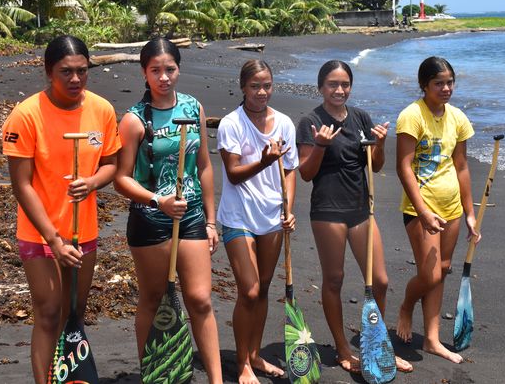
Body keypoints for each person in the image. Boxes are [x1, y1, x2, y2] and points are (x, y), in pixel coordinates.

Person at [2, 35, 120, 384]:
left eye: (82, 71)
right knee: (50, 313)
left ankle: (69, 376)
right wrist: (53, 239)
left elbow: (111, 163)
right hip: (41, 234)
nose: (75, 80)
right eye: (65, 72)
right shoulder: (26, 115)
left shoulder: (101, 110)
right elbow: (21, 184)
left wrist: (94, 182)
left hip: (84, 232)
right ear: (47, 71)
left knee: (74, 314)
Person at [113, 37, 222, 384]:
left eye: (169, 69)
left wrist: (211, 220)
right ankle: (153, 373)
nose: (163, 77)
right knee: (153, 298)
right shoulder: (134, 119)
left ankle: (216, 379)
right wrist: (157, 200)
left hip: (190, 217)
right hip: (150, 220)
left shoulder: (193, 108)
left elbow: (203, 166)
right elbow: (121, 179)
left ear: (178, 69)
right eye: (155, 70)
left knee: (200, 299)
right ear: (145, 73)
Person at [296, 60, 412, 374]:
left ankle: (374, 344)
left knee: (380, 281)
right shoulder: (310, 121)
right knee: (334, 280)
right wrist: (320, 145)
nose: (339, 90)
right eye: (332, 84)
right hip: (328, 210)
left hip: (361, 208)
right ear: (321, 87)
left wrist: (381, 144)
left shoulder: (360, 118)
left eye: (345, 84)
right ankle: (343, 349)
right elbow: (306, 173)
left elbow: (374, 166)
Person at [394, 56, 480, 363]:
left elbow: (461, 167)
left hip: (452, 207)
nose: (446, 88)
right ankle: (406, 306)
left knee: (442, 271)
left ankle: (431, 339)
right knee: (429, 276)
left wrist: (469, 213)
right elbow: (403, 167)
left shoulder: (458, 118)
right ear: (424, 85)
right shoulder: (411, 116)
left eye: (450, 82)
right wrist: (422, 209)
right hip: (421, 208)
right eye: (438, 83)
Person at [216, 59, 297, 384]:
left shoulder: (286, 123)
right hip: (238, 216)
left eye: (267, 85)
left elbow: (289, 170)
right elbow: (234, 175)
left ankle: (255, 354)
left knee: (263, 289)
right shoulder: (231, 124)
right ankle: (242, 364)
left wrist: (288, 206)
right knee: (248, 291)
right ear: (243, 87)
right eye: (254, 86)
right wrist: (264, 161)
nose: (261, 92)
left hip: (272, 217)